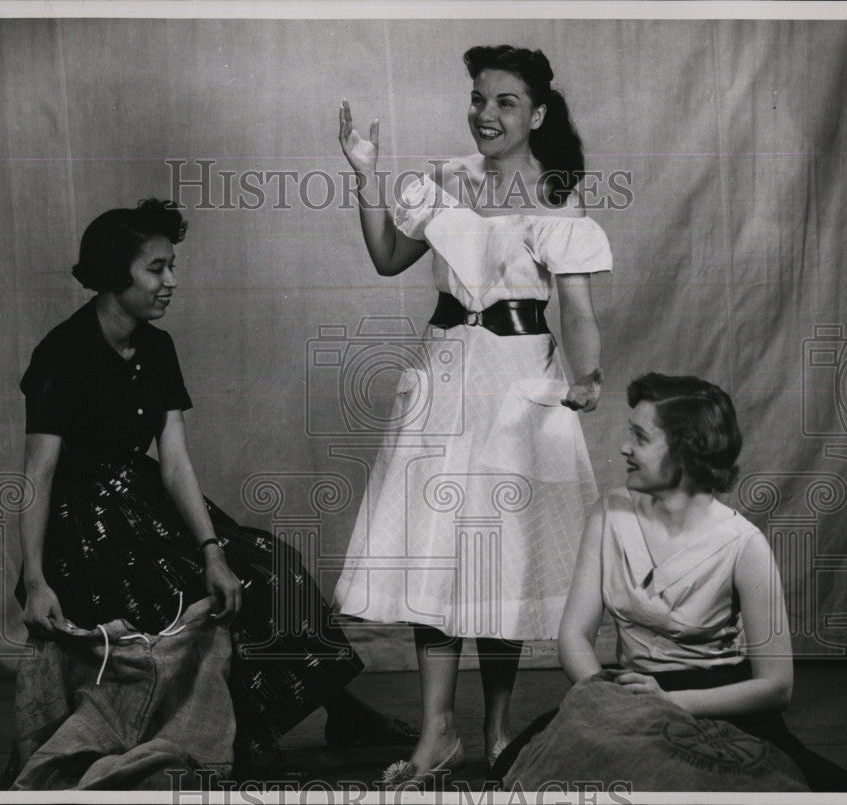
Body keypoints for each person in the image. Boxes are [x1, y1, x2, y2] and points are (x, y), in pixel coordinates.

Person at [14, 199, 416, 786]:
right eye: (157, 268)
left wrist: (211, 547)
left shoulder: (157, 347)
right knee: (181, 598)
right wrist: (34, 580)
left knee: (270, 565)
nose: (170, 281)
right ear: (114, 272)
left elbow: (172, 457)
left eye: (171, 265)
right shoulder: (63, 351)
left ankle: (342, 711)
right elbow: (37, 475)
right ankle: (247, 734)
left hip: (143, 499)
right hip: (82, 529)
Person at [334, 45, 612, 787]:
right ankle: (436, 730)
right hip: (444, 374)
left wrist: (585, 376)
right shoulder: (446, 179)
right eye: (479, 99)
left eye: (505, 103)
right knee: (437, 545)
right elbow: (388, 256)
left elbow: (578, 311)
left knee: (499, 557)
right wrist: (367, 176)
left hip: (518, 384)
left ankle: (495, 729)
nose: (486, 115)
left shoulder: (558, 198)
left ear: (538, 114)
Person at [492, 373, 847, 792]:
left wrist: (670, 704)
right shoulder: (609, 513)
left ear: (688, 450)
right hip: (627, 695)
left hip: (717, 704)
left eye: (641, 438)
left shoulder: (744, 546)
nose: (624, 448)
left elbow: (777, 686)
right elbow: (574, 636)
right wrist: (606, 698)